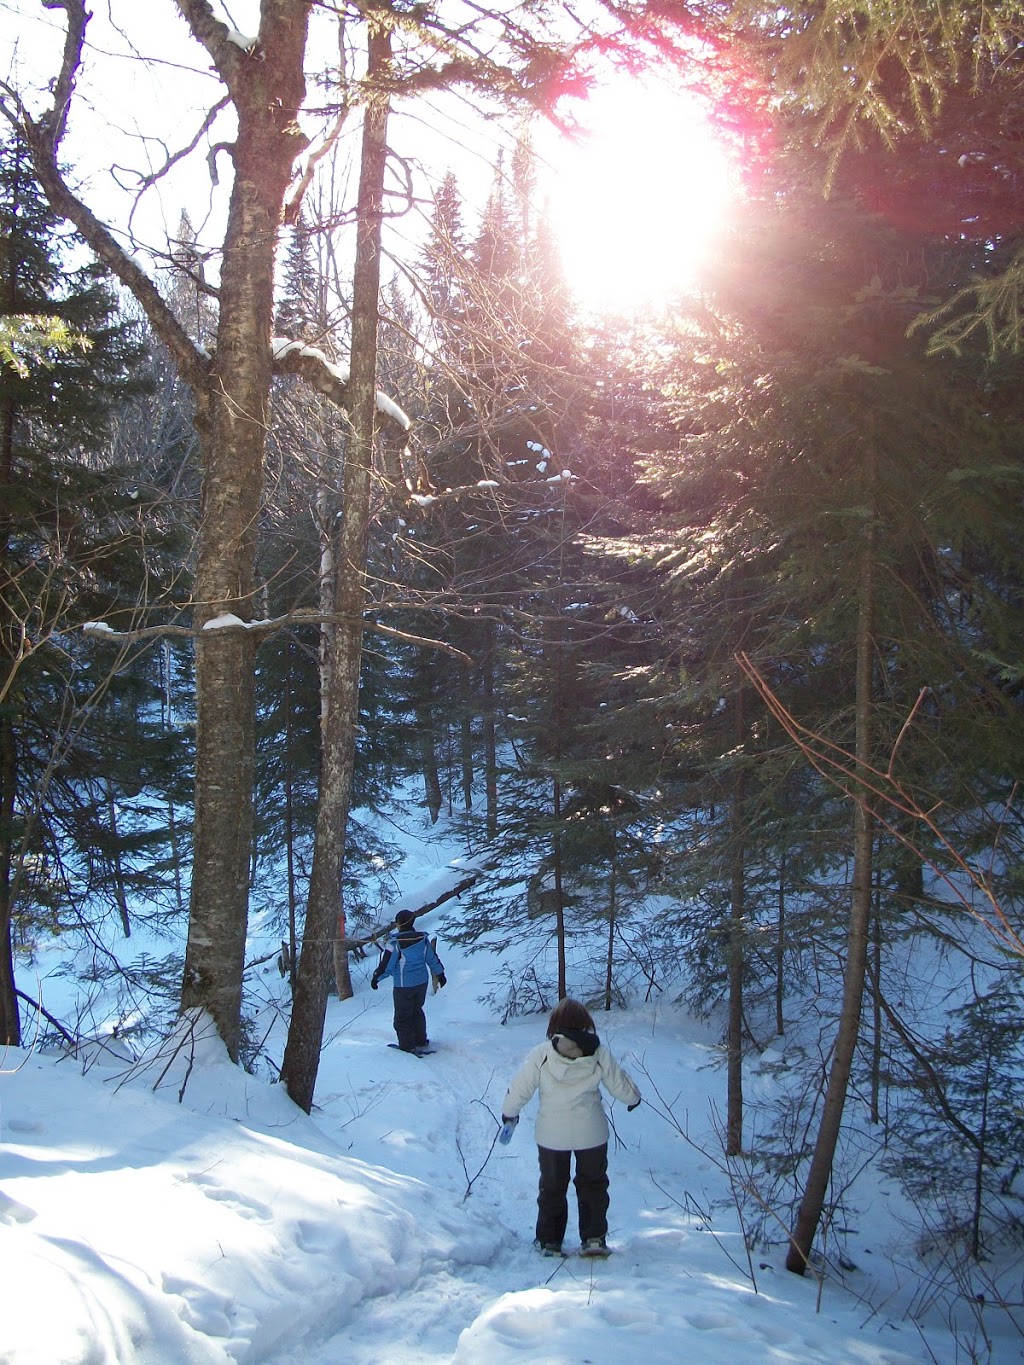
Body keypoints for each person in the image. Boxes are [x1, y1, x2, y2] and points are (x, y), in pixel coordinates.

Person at [500, 998, 641, 1258]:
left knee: (552, 1187)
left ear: (555, 1025)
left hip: (552, 1136)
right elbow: (619, 1083)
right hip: (592, 1133)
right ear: (586, 1022)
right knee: (594, 1185)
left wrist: (510, 1113)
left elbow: (521, 1087)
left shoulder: (542, 1054)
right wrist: (634, 1099)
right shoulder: (598, 1052)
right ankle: (594, 1238)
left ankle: (550, 1241)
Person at [370, 910, 446, 1053]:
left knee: (402, 1017)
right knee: (416, 1011)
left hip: (404, 986)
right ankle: (420, 1040)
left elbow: (386, 965)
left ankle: (407, 1047)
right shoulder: (422, 940)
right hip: (421, 983)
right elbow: (432, 958)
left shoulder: (395, 943)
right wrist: (440, 973)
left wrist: (376, 978)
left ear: (399, 924)